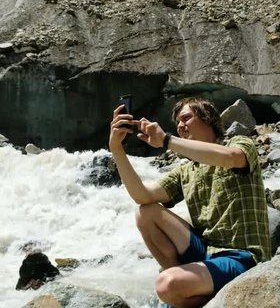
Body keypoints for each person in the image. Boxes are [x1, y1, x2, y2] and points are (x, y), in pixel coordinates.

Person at [109, 97, 271, 308]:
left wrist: (167, 140)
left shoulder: (239, 144)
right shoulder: (186, 170)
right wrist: (116, 148)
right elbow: (143, 196)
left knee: (166, 284)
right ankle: (180, 290)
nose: (180, 126)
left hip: (242, 258)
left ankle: (184, 294)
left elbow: (229, 158)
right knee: (145, 212)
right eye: (177, 123)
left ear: (208, 118)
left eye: (186, 118)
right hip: (204, 253)